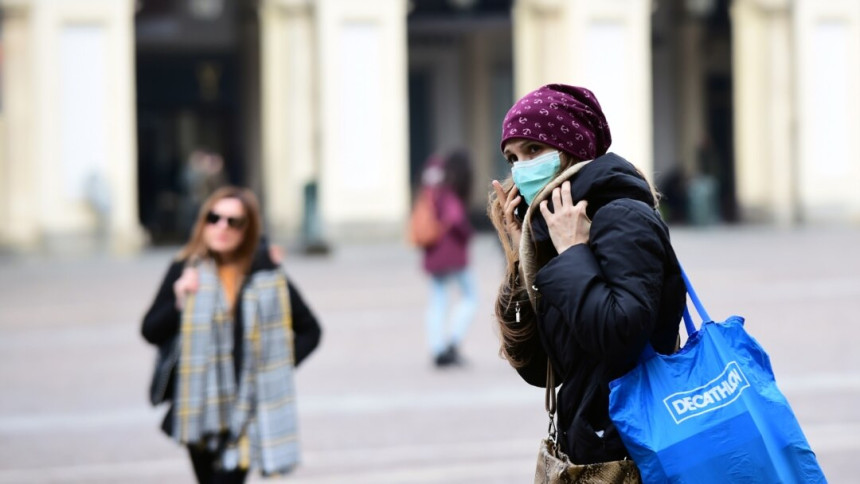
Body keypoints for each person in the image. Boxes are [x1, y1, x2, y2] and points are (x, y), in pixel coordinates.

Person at [488, 84, 686, 468]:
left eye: (533, 150)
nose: (521, 168)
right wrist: (519, 255)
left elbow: (620, 334)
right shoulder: (554, 228)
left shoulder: (623, 216)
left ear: (572, 150)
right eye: (513, 157)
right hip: (589, 444)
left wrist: (575, 253)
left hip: (633, 447)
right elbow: (539, 368)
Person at [142, 186, 322, 483]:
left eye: (233, 221)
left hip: (247, 411)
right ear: (204, 222)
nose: (222, 227)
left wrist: (274, 369)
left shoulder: (266, 275)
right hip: (197, 409)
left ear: (247, 229)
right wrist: (179, 301)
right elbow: (149, 331)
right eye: (215, 218)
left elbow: (311, 331)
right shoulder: (186, 268)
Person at [419, 150, 478, 367]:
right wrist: (468, 233)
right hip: (452, 253)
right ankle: (452, 341)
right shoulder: (451, 189)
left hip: (433, 251)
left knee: (437, 300)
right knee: (471, 296)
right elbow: (455, 219)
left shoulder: (432, 183)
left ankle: (437, 348)